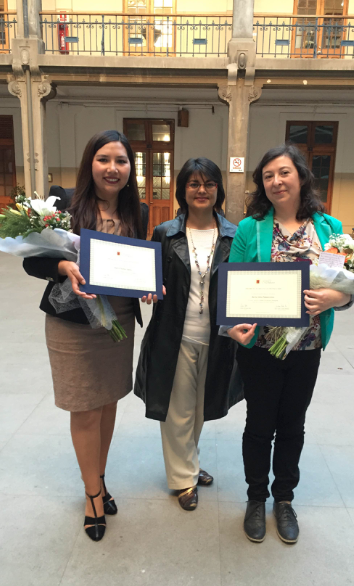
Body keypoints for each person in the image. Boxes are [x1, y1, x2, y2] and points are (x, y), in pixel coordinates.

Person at [225, 144, 354, 544]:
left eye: (283, 173)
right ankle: (254, 499)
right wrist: (231, 326)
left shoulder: (329, 229)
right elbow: (232, 285)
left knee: (292, 425)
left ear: (301, 176)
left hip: (307, 348)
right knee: (259, 424)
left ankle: (284, 499)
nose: (276, 181)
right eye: (268, 176)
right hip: (260, 348)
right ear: (261, 184)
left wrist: (338, 298)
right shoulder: (251, 228)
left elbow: (343, 287)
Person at [23, 130, 147, 542]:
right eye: (104, 159)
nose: (113, 168)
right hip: (72, 322)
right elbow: (33, 261)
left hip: (119, 320)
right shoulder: (64, 202)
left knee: (108, 401)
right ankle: (92, 494)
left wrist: (147, 286)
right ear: (89, 163)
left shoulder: (137, 211)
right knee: (85, 407)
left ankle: (101, 477)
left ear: (131, 169)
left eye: (121, 161)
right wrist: (64, 268)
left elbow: (137, 265)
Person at [135, 157, 243, 511]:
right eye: (193, 184)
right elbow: (153, 279)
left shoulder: (233, 234)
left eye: (208, 183)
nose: (201, 190)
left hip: (218, 337)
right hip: (175, 335)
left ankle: (189, 464)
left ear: (218, 189)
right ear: (182, 189)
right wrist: (148, 289)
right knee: (178, 409)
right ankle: (183, 478)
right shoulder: (165, 233)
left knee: (199, 409)